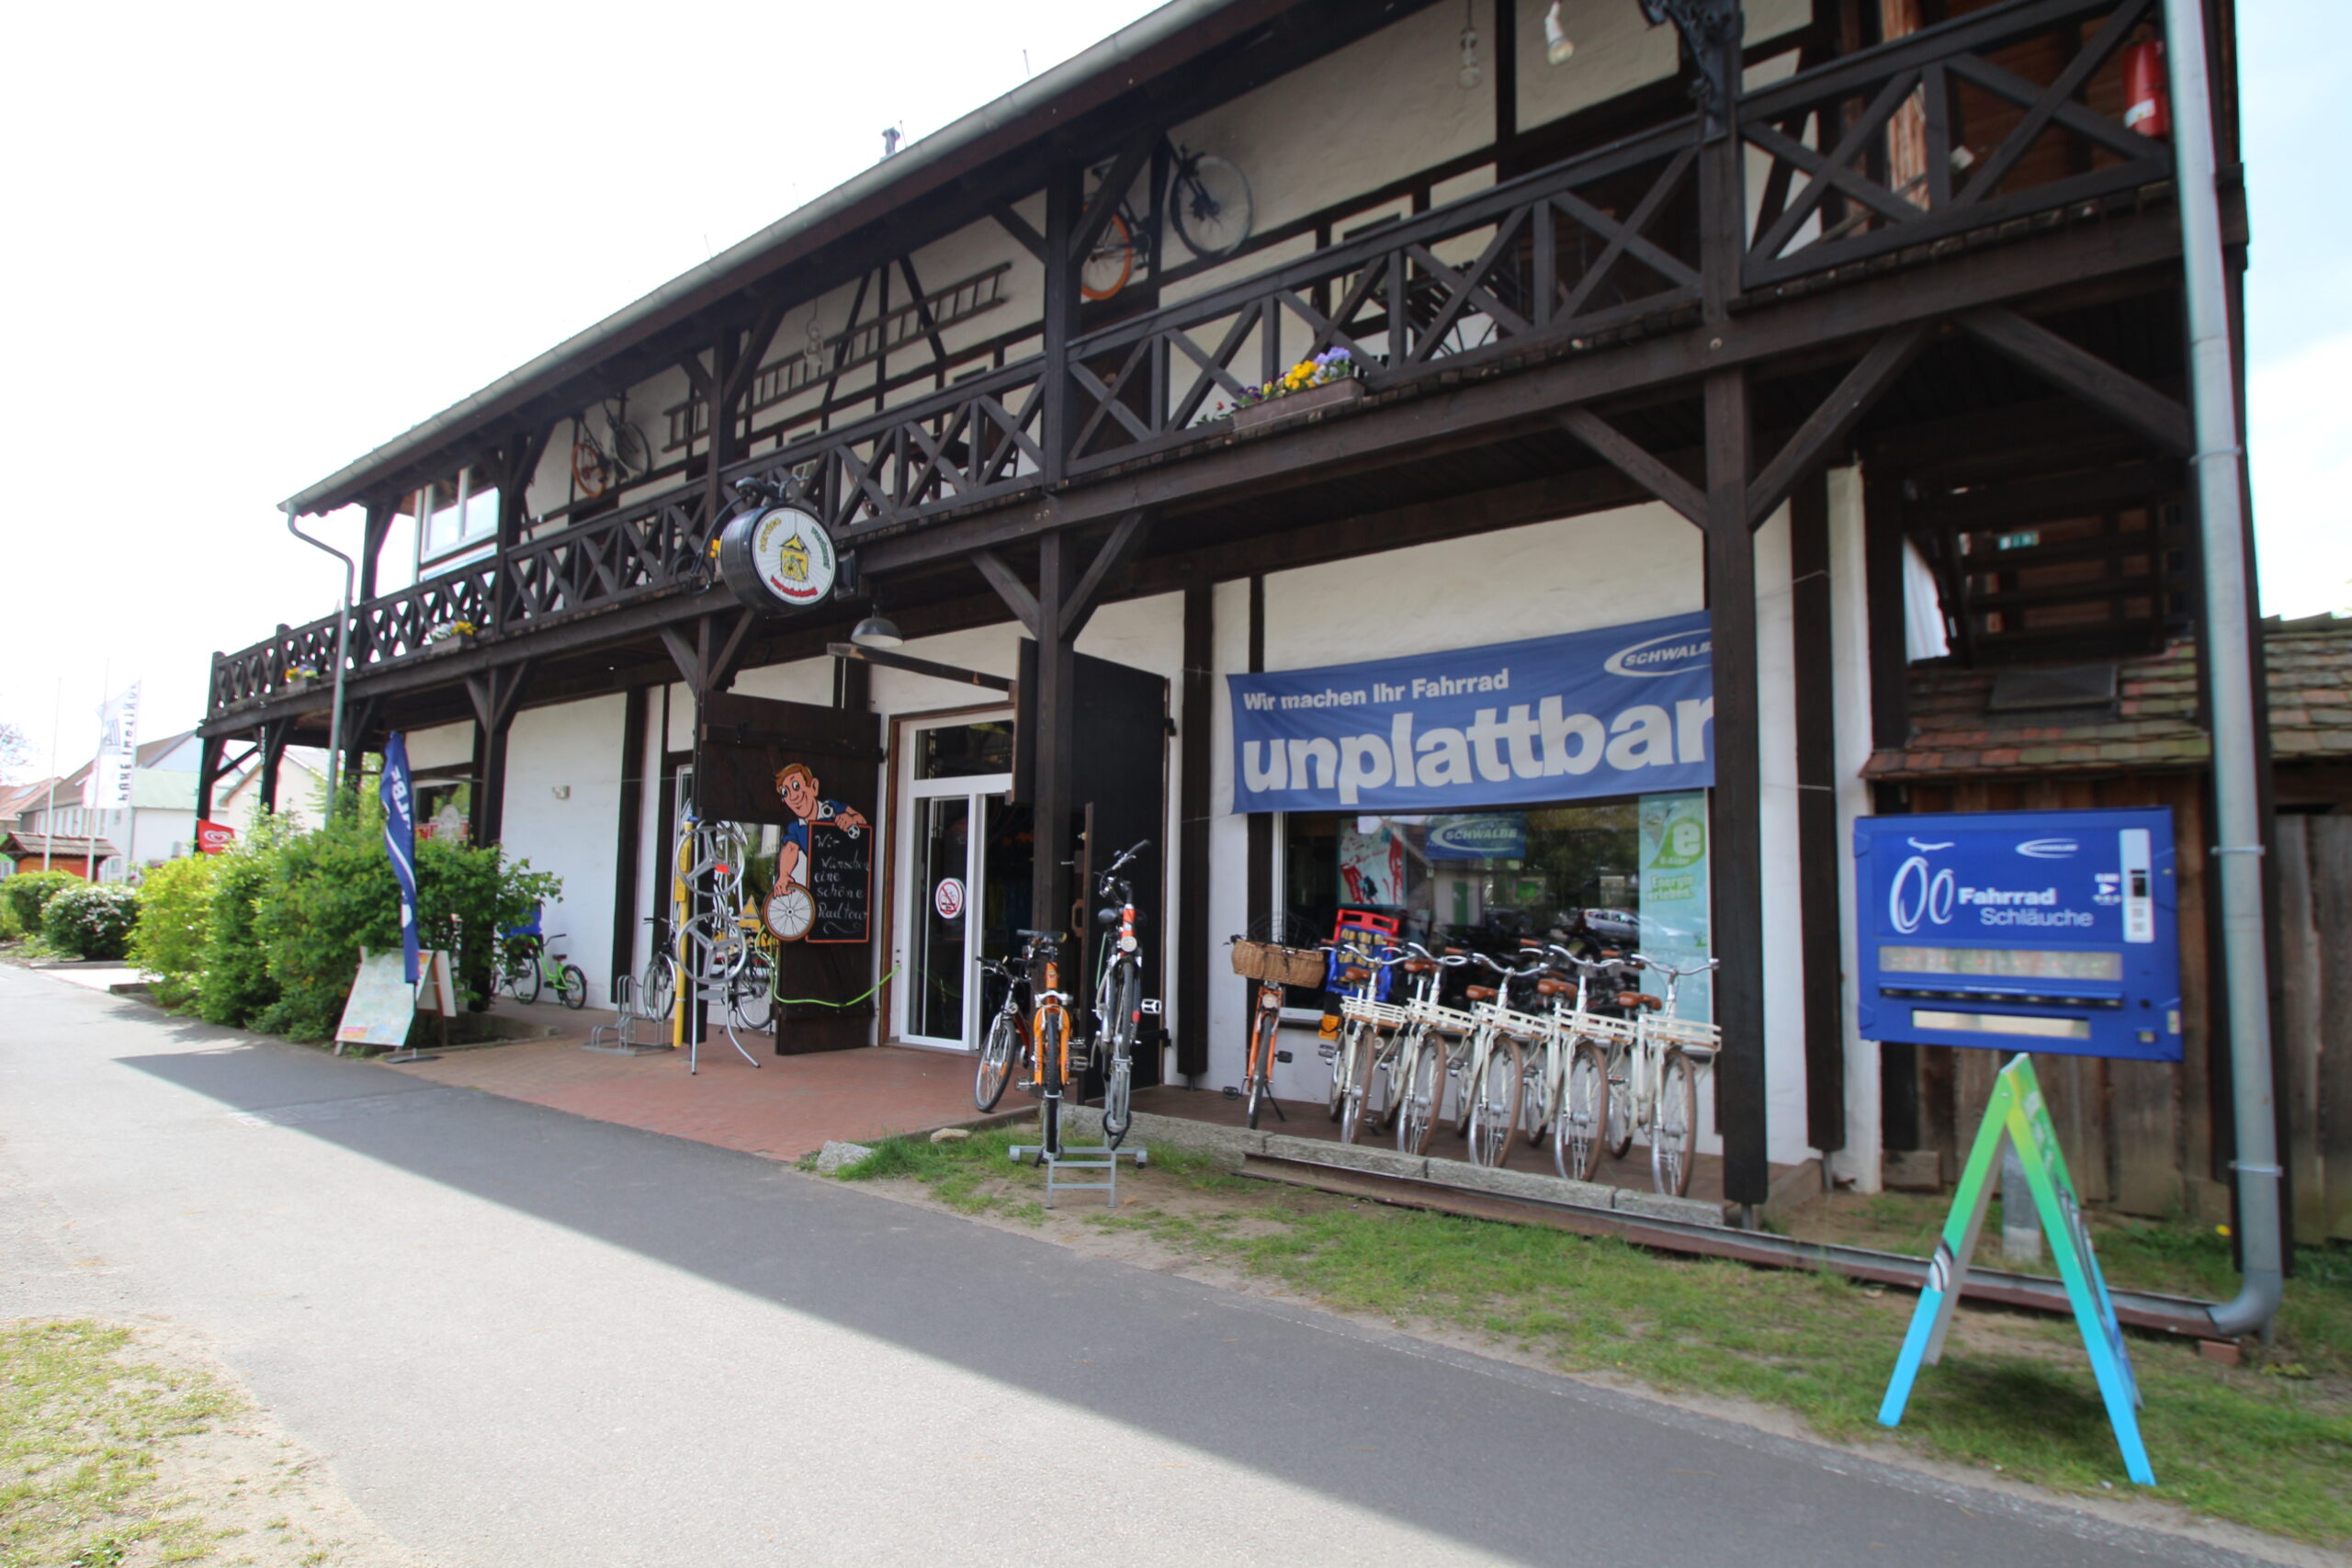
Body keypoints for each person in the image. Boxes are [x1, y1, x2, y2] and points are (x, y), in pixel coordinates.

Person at [773, 762, 868, 897]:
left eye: (796, 787)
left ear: (814, 787)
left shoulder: (831, 808)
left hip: (850, 880)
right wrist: (784, 875)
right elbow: (790, 848)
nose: (793, 797)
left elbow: (861, 820)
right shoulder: (795, 828)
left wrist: (852, 820)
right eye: (785, 793)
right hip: (824, 886)